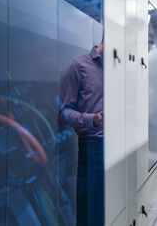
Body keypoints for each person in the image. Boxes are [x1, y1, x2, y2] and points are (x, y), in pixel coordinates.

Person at [59, 41, 104, 226]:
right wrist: (91, 119)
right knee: (89, 212)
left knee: (115, 208)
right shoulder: (79, 66)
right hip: (93, 148)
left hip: (120, 147)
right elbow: (63, 113)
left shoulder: (121, 69)